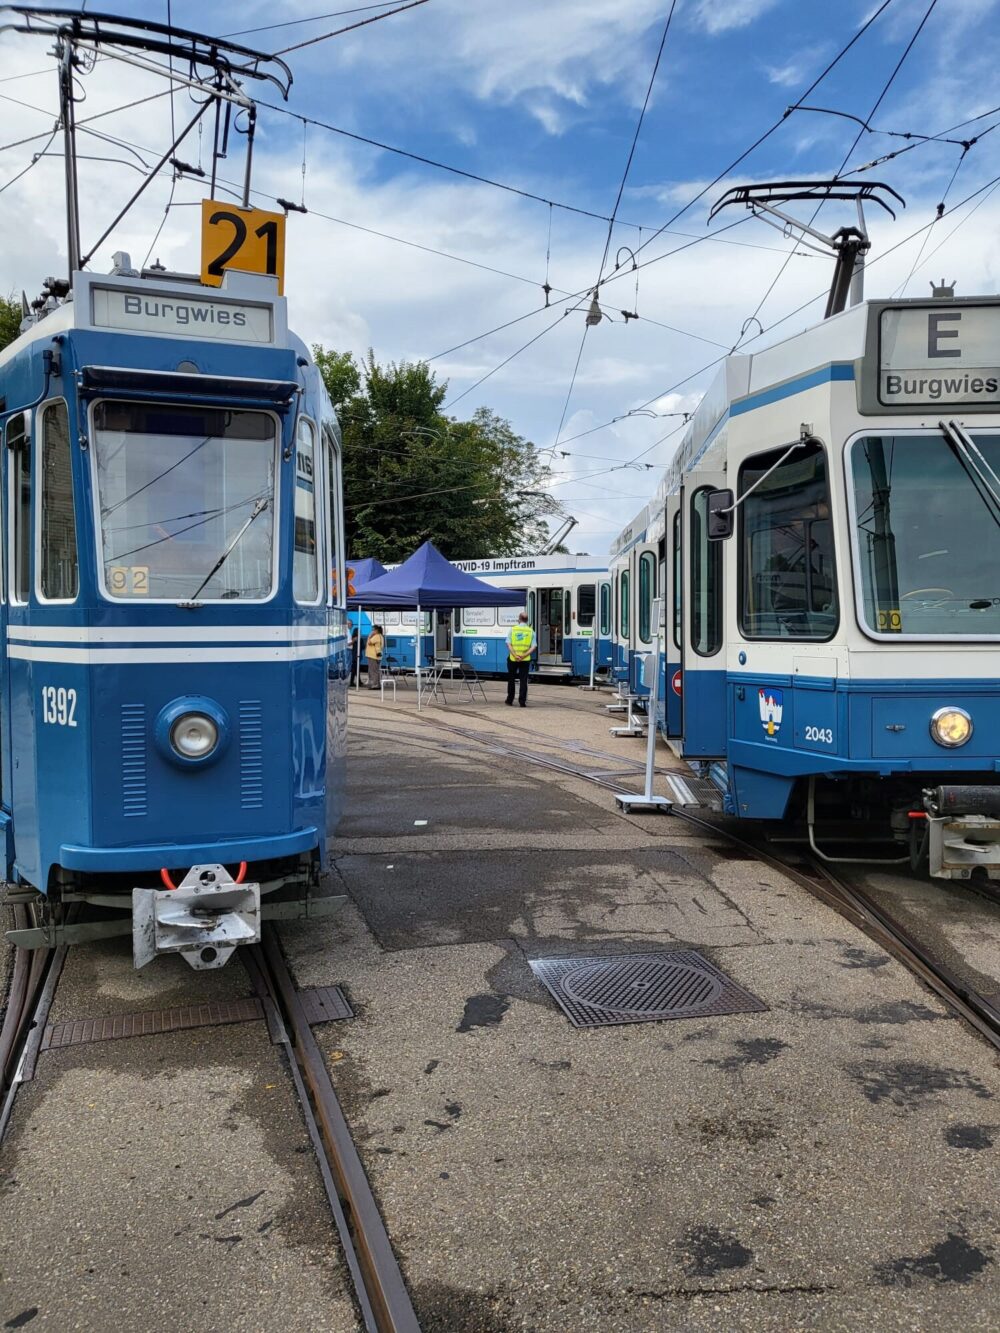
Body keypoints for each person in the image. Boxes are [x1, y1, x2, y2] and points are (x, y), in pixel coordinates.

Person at [505, 612, 536, 707]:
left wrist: (515, 655)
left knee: (511, 679)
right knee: (523, 680)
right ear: (527, 620)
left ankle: (510, 700)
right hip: (525, 659)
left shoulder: (513, 629)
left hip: (513, 659)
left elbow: (508, 643)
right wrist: (523, 656)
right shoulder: (531, 631)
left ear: (519, 619)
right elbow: (534, 646)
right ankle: (522, 701)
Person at [366, 623, 385, 690]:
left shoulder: (376, 636)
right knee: (375, 670)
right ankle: (377, 684)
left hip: (373, 656)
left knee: (373, 671)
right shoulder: (381, 636)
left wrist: (370, 636)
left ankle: (374, 685)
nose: (372, 631)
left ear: (376, 630)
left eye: (373, 630)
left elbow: (369, 642)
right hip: (376, 656)